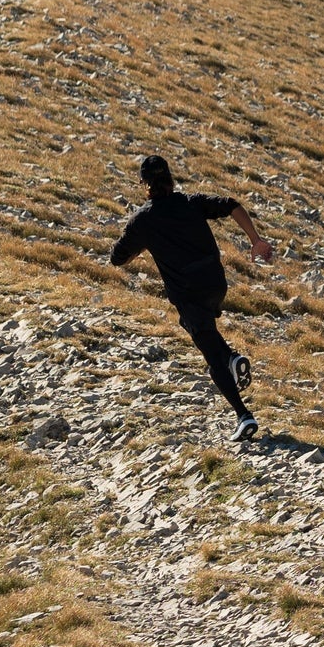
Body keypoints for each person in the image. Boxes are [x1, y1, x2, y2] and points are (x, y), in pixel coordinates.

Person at [110, 155, 275, 441]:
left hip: (188, 293)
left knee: (212, 357)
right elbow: (232, 204)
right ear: (170, 178)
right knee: (201, 329)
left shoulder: (143, 221)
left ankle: (243, 415)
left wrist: (143, 245)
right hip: (215, 284)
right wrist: (255, 240)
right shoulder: (190, 202)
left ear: (145, 184)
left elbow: (117, 258)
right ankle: (232, 359)